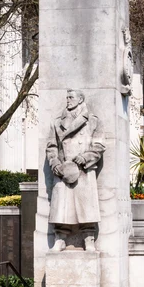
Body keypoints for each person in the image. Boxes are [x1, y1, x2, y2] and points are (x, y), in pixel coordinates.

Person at [46, 89, 106, 252]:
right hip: (64, 170)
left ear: (80, 99)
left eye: (71, 97)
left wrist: (86, 157)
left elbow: (99, 146)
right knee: (61, 209)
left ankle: (88, 238)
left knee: (86, 208)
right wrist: (55, 163)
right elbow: (51, 147)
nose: (67, 100)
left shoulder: (92, 121)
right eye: (66, 97)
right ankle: (60, 239)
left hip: (83, 171)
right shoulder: (58, 122)